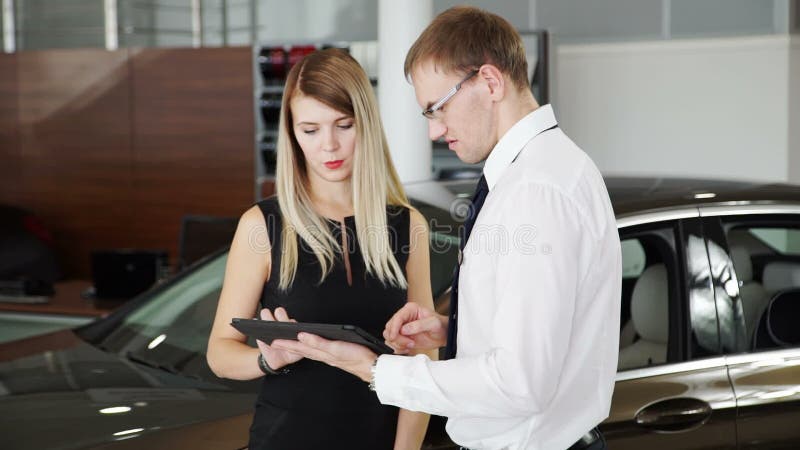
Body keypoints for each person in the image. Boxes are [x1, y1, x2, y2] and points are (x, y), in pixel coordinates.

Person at [271, 7, 622, 450]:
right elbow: (539, 334)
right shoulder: (546, 169)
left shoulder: (535, 190)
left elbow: (520, 383)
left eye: (437, 108)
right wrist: (453, 329)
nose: (435, 131)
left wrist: (375, 370)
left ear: (491, 82)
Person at [206, 48, 435, 450]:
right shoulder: (263, 225)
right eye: (310, 130)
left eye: (343, 125)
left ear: (365, 124)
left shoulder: (407, 225)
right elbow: (220, 354)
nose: (328, 145)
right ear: (292, 135)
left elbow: (424, 364)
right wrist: (266, 360)